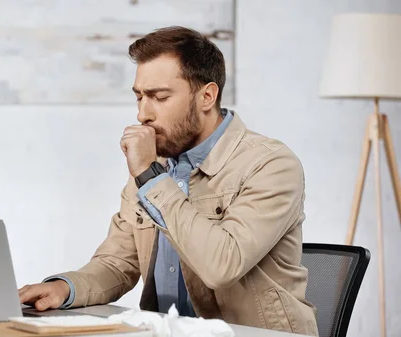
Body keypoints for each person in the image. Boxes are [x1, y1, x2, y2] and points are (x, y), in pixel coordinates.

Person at [19, 26, 318, 336]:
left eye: (159, 97)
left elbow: (222, 265)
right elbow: (117, 263)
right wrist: (63, 288)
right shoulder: (154, 167)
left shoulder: (270, 164)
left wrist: (150, 177)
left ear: (206, 96)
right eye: (139, 97)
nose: (142, 115)